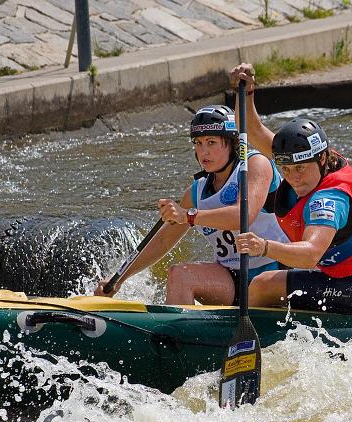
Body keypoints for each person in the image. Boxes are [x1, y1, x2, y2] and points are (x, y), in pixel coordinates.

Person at [229, 63, 352, 315]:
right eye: (285, 169)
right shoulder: (309, 157)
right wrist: (248, 92)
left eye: (300, 169)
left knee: (262, 285)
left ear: (321, 159)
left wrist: (263, 246)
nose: (293, 177)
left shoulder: (329, 200)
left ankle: (252, 339)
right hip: (351, 275)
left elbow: (310, 255)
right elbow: (253, 132)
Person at [95, 104, 288, 304]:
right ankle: (176, 333)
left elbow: (241, 216)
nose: (203, 151)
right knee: (180, 275)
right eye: (198, 142)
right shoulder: (197, 191)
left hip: (274, 274)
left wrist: (187, 216)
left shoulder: (255, 165)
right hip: (231, 278)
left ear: (232, 143)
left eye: (211, 142)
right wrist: (119, 278)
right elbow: (162, 242)